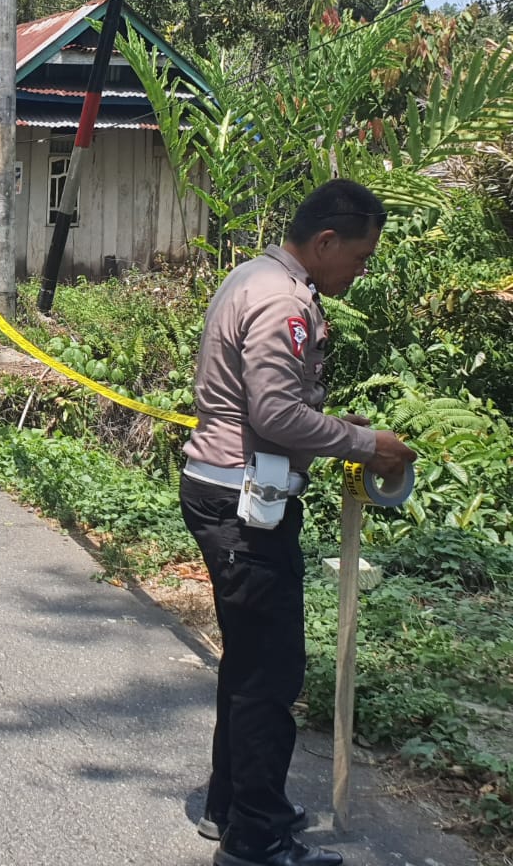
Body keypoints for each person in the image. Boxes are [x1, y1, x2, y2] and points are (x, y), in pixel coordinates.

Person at [179, 179, 416, 866]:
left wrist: (337, 428)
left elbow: (278, 407)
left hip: (228, 491)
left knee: (249, 663)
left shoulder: (255, 275)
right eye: (362, 256)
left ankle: (235, 805)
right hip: (243, 506)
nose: (362, 270)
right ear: (325, 242)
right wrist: (368, 444)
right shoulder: (284, 298)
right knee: (270, 675)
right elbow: (275, 416)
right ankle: (256, 837)